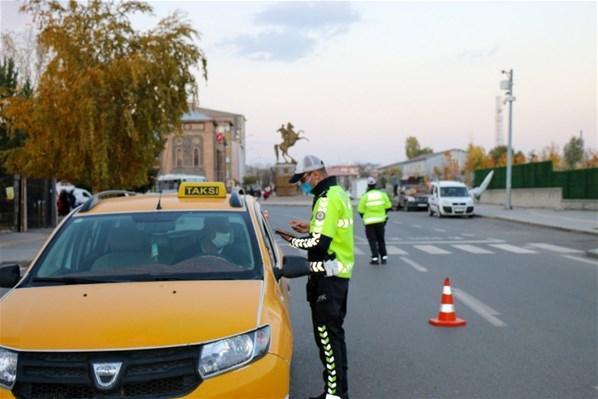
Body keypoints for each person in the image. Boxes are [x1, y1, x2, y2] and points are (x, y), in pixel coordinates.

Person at [278, 154, 354, 399]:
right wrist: (309, 226)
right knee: (334, 335)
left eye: (303, 178)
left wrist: (289, 238)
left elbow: (319, 243)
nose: (302, 183)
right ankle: (338, 392)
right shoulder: (337, 193)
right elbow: (329, 230)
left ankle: (334, 394)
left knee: (327, 338)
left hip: (328, 276)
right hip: (338, 274)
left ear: (315, 174)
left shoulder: (325, 199)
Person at [357, 177, 392, 265]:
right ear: (375, 185)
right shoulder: (382, 194)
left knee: (372, 240)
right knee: (381, 239)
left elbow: (360, 210)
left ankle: (375, 258)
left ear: (368, 186)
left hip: (369, 222)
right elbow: (388, 206)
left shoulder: (365, 196)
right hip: (380, 221)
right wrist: (383, 214)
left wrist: (364, 217)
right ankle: (384, 257)